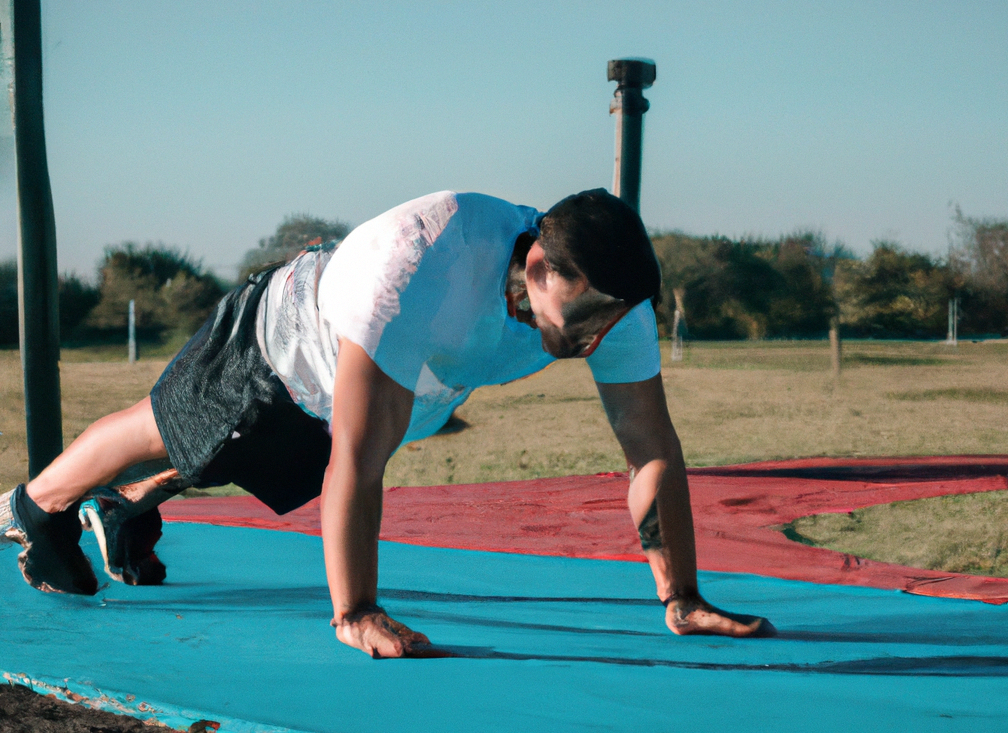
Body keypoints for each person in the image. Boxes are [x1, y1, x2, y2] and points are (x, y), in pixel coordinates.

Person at [1, 189, 768, 654]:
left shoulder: (611, 302)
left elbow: (652, 452)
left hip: (412, 383)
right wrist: (356, 612)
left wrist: (683, 597)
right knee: (169, 431)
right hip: (283, 344)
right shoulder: (425, 262)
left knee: (253, 463)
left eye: (614, 317)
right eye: (589, 312)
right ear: (538, 268)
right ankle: (34, 507)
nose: (598, 336)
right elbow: (359, 465)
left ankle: (130, 507)